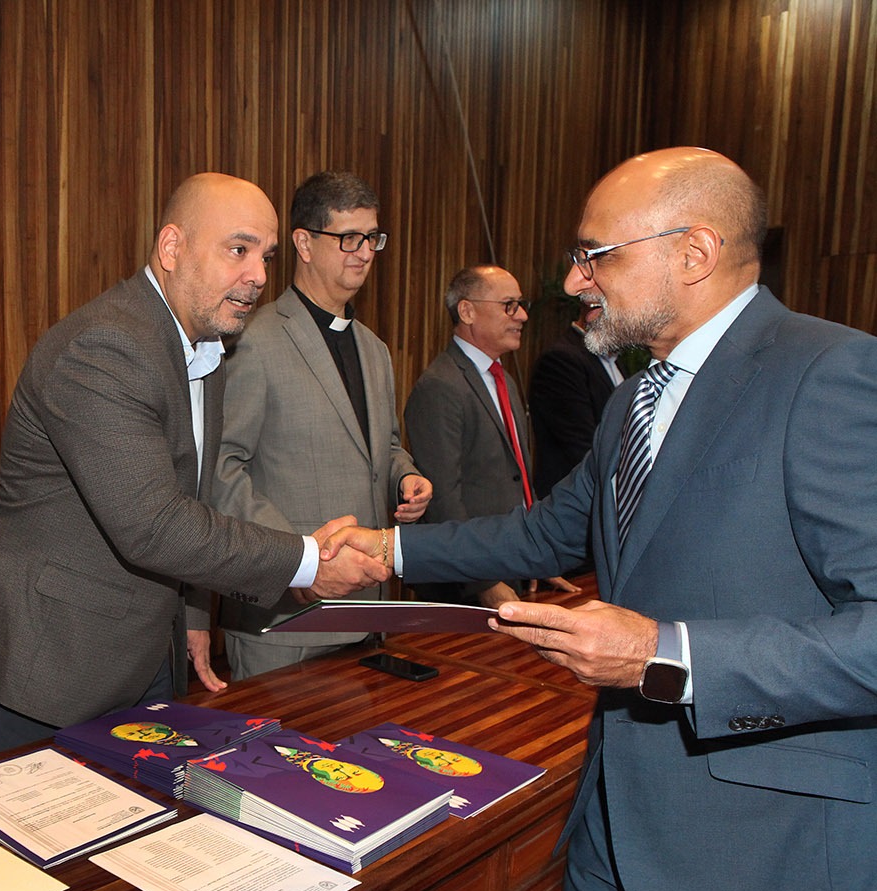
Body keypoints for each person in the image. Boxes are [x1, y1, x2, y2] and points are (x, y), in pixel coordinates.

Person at [326, 148, 877, 891]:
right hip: (617, 845)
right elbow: (549, 532)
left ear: (694, 252)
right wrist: (388, 551)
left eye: (596, 256)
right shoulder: (633, 400)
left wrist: (667, 653)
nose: (575, 282)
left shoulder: (830, 373)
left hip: (769, 862)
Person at [0, 172, 388, 754]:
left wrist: (194, 615)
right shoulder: (105, 347)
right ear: (172, 247)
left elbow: (195, 498)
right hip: (48, 662)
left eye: (266, 256)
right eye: (238, 249)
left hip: (146, 650)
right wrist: (305, 561)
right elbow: (154, 525)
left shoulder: (206, 346)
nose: (258, 275)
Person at [209, 171, 431, 679]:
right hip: (288, 619)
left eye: (372, 238)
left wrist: (405, 476)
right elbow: (221, 470)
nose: (364, 252)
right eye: (348, 238)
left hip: (369, 611)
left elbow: (383, 447)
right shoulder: (254, 339)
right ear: (304, 243)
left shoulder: (374, 349)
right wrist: (301, 562)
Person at [404, 265, 574, 606]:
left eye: (521, 304)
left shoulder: (503, 379)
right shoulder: (440, 386)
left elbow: (518, 478)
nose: (523, 315)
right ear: (467, 311)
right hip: (463, 586)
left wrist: (537, 554)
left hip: (512, 566)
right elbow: (443, 499)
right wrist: (484, 583)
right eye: (509, 305)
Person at [528, 301, 624, 499]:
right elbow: (582, 447)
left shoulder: (612, 360)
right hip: (574, 502)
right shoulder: (561, 360)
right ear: (595, 310)